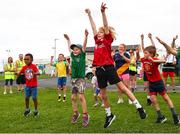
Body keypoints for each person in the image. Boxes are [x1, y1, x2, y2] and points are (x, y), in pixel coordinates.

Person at [85, 3, 146, 128]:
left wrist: (102, 12)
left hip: (109, 68)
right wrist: (90, 15)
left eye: (102, 32)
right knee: (103, 95)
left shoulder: (107, 40)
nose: (99, 33)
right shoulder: (97, 41)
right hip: (100, 70)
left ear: (106, 34)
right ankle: (109, 115)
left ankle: (139, 107)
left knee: (123, 88)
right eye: (99, 32)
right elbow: (93, 27)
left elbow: (106, 26)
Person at [141, 45, 180, 125]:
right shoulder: (143, 60)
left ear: (151, 54)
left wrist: (153, 60)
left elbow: (163, 60)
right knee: (153, 100)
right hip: (151, 84)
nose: (144, 54)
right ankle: (161, 117)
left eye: (146, 53)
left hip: (158, 82)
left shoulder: (155, 60)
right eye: (144, 53)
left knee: (166, 98)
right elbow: (140, 54)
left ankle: (175, 116)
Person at [63, 29, 90, 127]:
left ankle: (85, 115)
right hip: (73, 79)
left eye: (76, 49)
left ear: (80, 50)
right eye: (74, 49)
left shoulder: (82, 55)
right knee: (73, 97)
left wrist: (86, 37)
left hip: (81, 79)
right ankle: (76, 113)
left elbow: (84, 46)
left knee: (81, 97)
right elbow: (69, 48)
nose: (75, 50)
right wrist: (68, 39)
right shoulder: (72, 56)